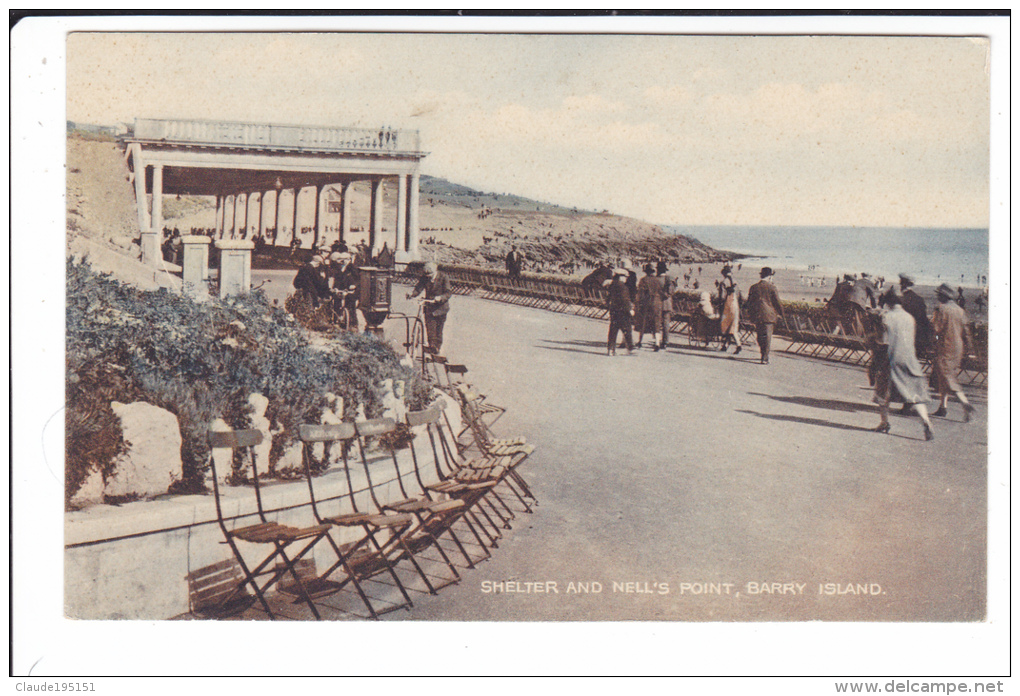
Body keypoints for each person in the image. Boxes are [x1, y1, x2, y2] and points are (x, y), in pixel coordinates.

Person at [873, 286, 935, 440]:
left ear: (888, 303)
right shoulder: (909, 317)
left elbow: (882, 340)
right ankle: (926, 422)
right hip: (909, 359)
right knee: (914, 394)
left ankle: (884, 422)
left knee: (882, 392)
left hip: (892, 359)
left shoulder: (886, 317)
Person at [931, 283, 975, 421]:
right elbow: (966, 332)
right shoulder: (960, 310)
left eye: (938, 294)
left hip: (944, 346)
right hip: (957, 347)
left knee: (947, 377)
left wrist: (931, 343)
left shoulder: (941, 309)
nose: (937, 296)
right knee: (946, 376)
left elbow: (935, 329)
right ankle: (943, 407)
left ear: (943, 296)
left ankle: (965, 403)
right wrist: (970, 350)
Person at [407, 261, 452, 355]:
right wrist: (412, 294)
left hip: (441, 308)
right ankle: (432, 348)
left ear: (435, 272)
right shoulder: (425, 277)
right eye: (426, 276)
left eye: (430, 275)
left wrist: (440, 298)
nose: (428, 277)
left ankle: (437, 349)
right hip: (429, 307)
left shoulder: (444, 277)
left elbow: (448, 293)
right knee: (430, 330)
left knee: (439, 331)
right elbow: (419, 288)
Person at [745, 267, 785, 365]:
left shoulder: (754, 287)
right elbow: (777, 303)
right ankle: (765, 357)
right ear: (770, 276)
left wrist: (751, 314)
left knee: (760, 336)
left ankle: (763, 353)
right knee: (767, 337)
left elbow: (749, 303)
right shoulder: (772, 287)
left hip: (758, 315)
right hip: (769, 316)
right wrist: (782, 314)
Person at [605, 266, 635, 356]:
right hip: (623, 312)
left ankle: (610, 349)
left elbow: (608, 299)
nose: (626, 279)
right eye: (625, 277)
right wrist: (630, 310)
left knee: (613, 330)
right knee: (627, 329)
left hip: (614, 310)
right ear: (621, 277)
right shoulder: (623, 287)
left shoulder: (612, 286)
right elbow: (625, 300)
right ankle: (630, 348)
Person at [634, 264, 664, 351]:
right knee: (656, 323)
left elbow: (640, 293)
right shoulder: (658, 281)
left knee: (643, 322)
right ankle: (657, 343)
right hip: (657, 304)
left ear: (646, 272)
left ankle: (640, 342)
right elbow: (662, 292)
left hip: (646, 303)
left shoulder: (643, 280)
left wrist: (638, 303)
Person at [330, 252, 360, 330]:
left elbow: (357, 279)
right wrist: (335, 287)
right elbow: (337, 280)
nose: (343, 262)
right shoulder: (340, 268)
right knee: (336, 302)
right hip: (342, 289)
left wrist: (354, 285)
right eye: (341, 260)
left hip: (351, 290)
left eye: (345, 260)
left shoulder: (352, 268)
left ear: (349, 259)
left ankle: (353, 324)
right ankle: (337, 320)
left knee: (350, 306)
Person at [717, 265, 742, 353]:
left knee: (725, 326)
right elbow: (739, 296)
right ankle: (733, 345)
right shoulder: (736, 282)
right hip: (735, 305)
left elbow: (722, 297)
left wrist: (719, 305)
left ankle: (730, 345)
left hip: (727, 306)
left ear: (723, 273)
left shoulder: (723, 282)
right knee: (733, 326)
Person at [657, 261, 676, 349]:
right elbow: (671, 292)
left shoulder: (656, 279)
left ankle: (657, 341)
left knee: (657, 323)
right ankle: (665, 341)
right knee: (665, 323)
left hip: (657, 303)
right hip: (667, 304)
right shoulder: (670, 279)